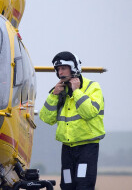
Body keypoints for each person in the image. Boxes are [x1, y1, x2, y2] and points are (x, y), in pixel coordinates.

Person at [39, 51, 105, 190]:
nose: (60, 72)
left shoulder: (93, 87)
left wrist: (76, 91)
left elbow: (89, 113)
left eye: (63, 68)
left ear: (73, 68)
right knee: (67, 185)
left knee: (83, 185)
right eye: (58, 69)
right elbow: (46, 118)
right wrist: (54, 95)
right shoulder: (59, 91)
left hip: (87, 147)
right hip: (67, 149)